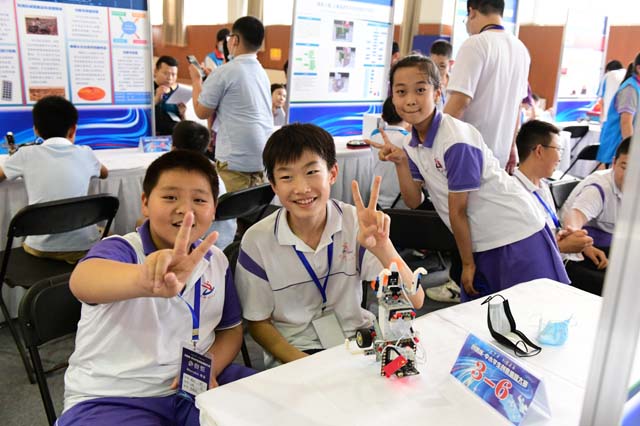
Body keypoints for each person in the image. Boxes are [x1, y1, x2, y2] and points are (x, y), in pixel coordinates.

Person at [57, 150, 255, 425]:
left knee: (278, 406)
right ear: (145, 203)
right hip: (114, 396)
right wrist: (144, 279)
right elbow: (83, 281)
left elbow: (230, 329)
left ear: (213, 209)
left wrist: (211, 366)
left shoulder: (215, 259)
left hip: (195, 385)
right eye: (170, 197)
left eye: (199, 200)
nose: (185, 209)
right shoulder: (122, 249)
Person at [368, 55, 569, 302]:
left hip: (516, 235)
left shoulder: (455, 139)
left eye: (420, 90)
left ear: (437, 93)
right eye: (401, 91)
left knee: (532, 312)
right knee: (483, 317)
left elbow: (458, 210)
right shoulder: (411, 144)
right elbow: (413, 200)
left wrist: (466, 264)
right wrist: (401, 162)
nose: (410, 100)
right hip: (480, 240)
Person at [235, 123, 425, 368]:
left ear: (332, 173)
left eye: (312, 172)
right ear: (273, 185)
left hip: (357, 342)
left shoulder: (356, 222)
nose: (302, 188)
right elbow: (258, 323)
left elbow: (415, 300)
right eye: (286, 177)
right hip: (295, 351)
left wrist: (382, 246)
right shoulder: (257, 240)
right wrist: (306, 363)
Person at [0, 96, 108, 263]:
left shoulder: (25, 154)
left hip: (40, 248)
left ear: (36, 130)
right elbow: (104, 173)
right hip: (83, 248)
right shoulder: (85, 152)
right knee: (106, 233)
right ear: (73, 129)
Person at [445, 0, 530, 173]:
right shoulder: (521, 49)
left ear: (472, 12)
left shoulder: (475, 43)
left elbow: (460, 102)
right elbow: (517, 106)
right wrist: (512, 145)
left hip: (468, 153)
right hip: (500, 156)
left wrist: (432, 138)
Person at [190, 16, 273, 193]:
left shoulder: (225, 72)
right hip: (262, 157)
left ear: (234, 40)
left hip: (235, 160)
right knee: (254, 208)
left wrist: (196, 80)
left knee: (232, 209)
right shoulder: (262, 72)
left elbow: (201, 111)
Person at [513, 120, 593, 257]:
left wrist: (564, 236)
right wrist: (561, 246)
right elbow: (518, 250)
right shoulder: (513, 193)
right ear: (539, 151)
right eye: (558, 149)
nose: (560, 158)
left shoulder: (542, 185)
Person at [561, 137, 630, 295]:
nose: (630, 176)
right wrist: (582, 242)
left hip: (614, 247)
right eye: (624, 167)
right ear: (614, 163)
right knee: (620, 289)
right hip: (577, 253)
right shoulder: (599, 188)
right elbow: (575, 217)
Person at [171, 120, 237, 250]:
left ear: (173, 148)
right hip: (226, 240)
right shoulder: (210, 170)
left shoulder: (183, 177)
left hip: (203, 246)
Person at [597, 53, 640, 166]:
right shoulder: (630, 89)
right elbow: (626, 123)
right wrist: (631, 152)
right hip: (619, 149)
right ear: (639, 68)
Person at [368, 97, 410, 209]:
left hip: (377, 198)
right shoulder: (409, 139)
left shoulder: (374, 135)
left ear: (383, 116)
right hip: (401, 201)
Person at [154, 56, 186, 136]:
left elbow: (179, 121)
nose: (169, 78)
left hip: (175, 135)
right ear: (155, 71)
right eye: (165, 73)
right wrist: (156, 99)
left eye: (173, 74)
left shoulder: (175, 93)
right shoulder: (148, 90)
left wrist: (182, 114)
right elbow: (141, 115)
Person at [597, 60, 626, 125]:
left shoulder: (607, 76)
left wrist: (601, 121)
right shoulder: (628, 75)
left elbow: (602, 101)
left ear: (608, 70)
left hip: (609, 116)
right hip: (626, 117)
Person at [429, 39, 453, 110]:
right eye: (434, 65)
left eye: (442, 66)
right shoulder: (426, 83)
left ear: (451, 63)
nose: (437, 70)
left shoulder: (456, 83)